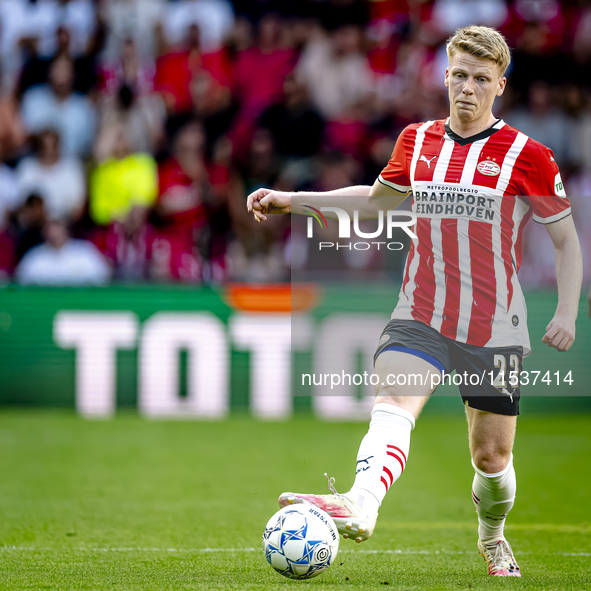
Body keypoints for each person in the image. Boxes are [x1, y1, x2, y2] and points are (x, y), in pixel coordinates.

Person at [246, 26, 583, 577]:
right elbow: (376, 202)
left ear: (500, 85)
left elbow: (567, 241)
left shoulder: (529, 156)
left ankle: (492, 534)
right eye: (459, 76)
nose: (467, 89)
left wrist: (567, 311)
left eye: (480, 79)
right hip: (421, 310)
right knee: (394, 403)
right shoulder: (416, 140)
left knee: (491, 459)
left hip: (493, 326)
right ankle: (362, 501)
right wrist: (294, 200)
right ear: (445, 77)